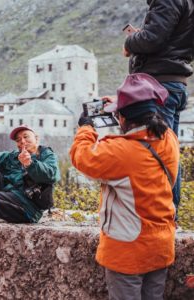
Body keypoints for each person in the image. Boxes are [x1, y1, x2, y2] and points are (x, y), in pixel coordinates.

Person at [70, 73, 179, 300]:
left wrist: (85, 128)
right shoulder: (168, 139)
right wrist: (122, 104)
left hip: (129, 251)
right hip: (161, 246)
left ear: (122, 118)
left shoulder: (122, 153)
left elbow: (81, 156)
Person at [123, 0, 194, 216]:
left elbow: (152, 39)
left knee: (154, 153)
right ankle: (169, 213)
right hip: (174, 83)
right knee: (168, 151)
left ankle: (160, 216)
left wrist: (130, 42)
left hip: (158, 85)